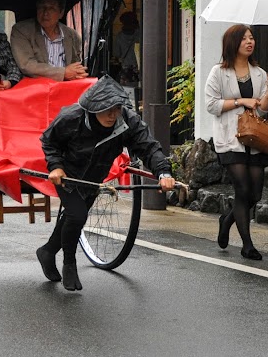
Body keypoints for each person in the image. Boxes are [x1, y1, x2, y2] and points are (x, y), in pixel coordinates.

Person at [37, 75, 176, 291]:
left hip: (95, 176)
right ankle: (69, 264)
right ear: (93, 108)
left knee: (74, 218)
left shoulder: (127, 121)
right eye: (107, 109)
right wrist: (55, 165)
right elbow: (49, 141)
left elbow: (148, 147)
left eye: (117, 108)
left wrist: (163, 172)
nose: (113, 114)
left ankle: (47, 251)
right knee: (77, 215)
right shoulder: (71, 117)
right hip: (69, 174)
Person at [204, 24, 268, 261]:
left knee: (254, 194)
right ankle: (247, 244)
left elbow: (264, 111)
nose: (249, 41)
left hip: (255, 139)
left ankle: (227, 220)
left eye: (251, 38)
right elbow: (211, 105)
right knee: (242, 189)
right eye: (244, 38)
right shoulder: (218, 72)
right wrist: (240, 101)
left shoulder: (260, 73)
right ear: (233, 43)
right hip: (230, 138)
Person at [10, 0, 87, 81]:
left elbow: (76, 66)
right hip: (35, 88)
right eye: (42, 7)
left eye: (51, 8)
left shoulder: (72, 35)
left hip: (66, 87)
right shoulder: (21, 30)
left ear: (61, 13)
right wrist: (63, 73)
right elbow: (27, 65)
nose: (45, 13)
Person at [111, 11, 140, 85]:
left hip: (125, 70)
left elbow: (116, 53)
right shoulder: (139, 35)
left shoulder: (119, 37)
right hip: (138, 69)